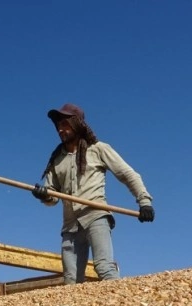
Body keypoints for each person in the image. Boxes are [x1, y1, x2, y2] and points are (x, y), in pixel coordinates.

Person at [31, 103, 154, 283]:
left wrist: (144, 201)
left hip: (95, 216)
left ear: (77, 124)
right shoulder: (56, 159)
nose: (60, 129)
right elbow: (53, 197)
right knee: (71, 280)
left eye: (65, 124)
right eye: (58, 126)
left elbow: (127, 174)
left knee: (104, 268)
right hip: (70, 225)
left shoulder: (98, 149)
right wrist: (45, 195)